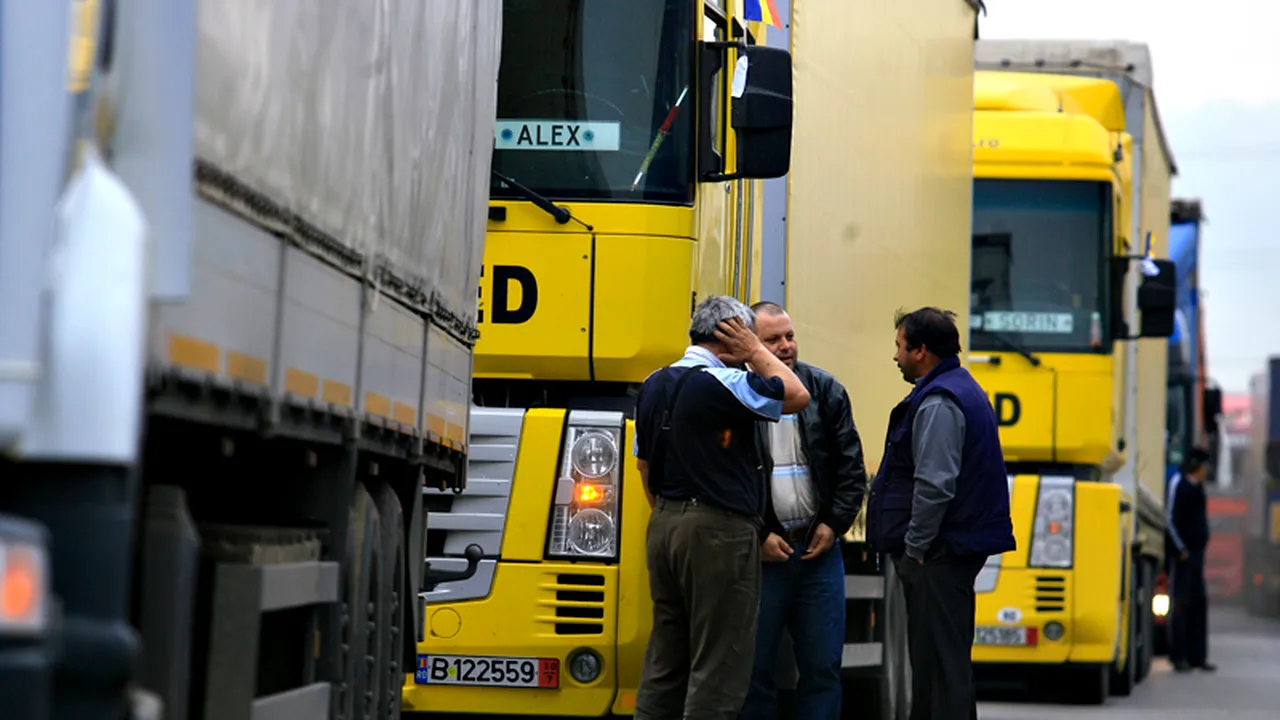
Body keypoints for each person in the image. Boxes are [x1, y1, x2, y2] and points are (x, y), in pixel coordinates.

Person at [632, 295, 811, 720]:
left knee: (666, 661)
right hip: (718, 530)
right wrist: (756, 351)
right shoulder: (724, 382)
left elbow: (644, 465)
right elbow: (796, 394)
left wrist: (671, 514)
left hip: (664, 524)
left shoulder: (654, 382)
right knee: (720, 664)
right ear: (734, 335)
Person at [866, 307, 1016, 720]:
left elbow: (935, 485)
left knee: (937, 670)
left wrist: (915, 547)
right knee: (945, 665)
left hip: (938, 554)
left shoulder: (938, 402)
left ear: (921, 350)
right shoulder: (962, 389)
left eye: (900, 347)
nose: (895, 356)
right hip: (950, 549)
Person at [741, 301, 868, 720]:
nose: (786, 346)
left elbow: (851, 469)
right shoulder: (735, 394)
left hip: (818, 556)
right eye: (773, 339)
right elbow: (724, 478)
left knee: (822, 669)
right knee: (753, 672)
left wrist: (834, 524)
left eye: (790, 336)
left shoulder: (825, 390)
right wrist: (758, 534)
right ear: (751, 344)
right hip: (762, 558)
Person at [1167, 446, 1216, 673]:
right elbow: (1170, 519)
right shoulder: (1180, 485)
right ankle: (1179, 656)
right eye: (1204, 465)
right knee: (1182, 605)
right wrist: (1181, 549)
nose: (1207, 470)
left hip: (1197, 555)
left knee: (1199, 603)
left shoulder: (1198, 488)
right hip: (1184, 555)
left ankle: (1198, 656)